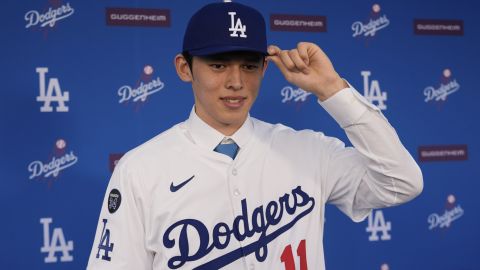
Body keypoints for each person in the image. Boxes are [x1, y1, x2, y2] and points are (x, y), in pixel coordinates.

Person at [87, 1, 423, 269]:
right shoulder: (140, 168)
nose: (236, 82)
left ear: (264, 67)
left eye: (249, 65)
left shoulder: (308, 149)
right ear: (184, 68)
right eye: (218, 65)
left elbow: (401, 182)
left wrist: (332, 90)